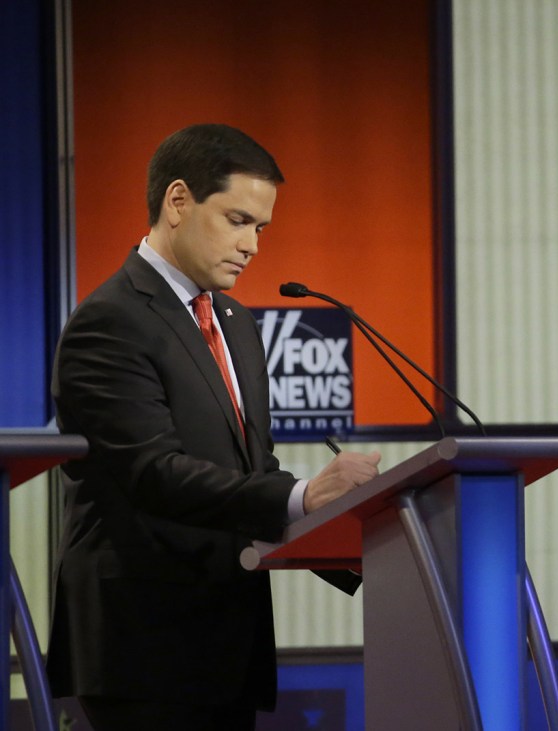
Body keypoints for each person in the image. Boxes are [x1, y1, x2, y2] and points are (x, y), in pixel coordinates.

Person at [47, 124, 382, 731]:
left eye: (261, 228)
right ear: (178, 201)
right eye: (237, 220)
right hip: (143, 645)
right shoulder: (109, 322)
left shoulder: (234, 320)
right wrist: (305, 495)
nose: (253, 245)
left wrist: (363, 541)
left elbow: (253, 472)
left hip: (229, 639)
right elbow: (155, 474)